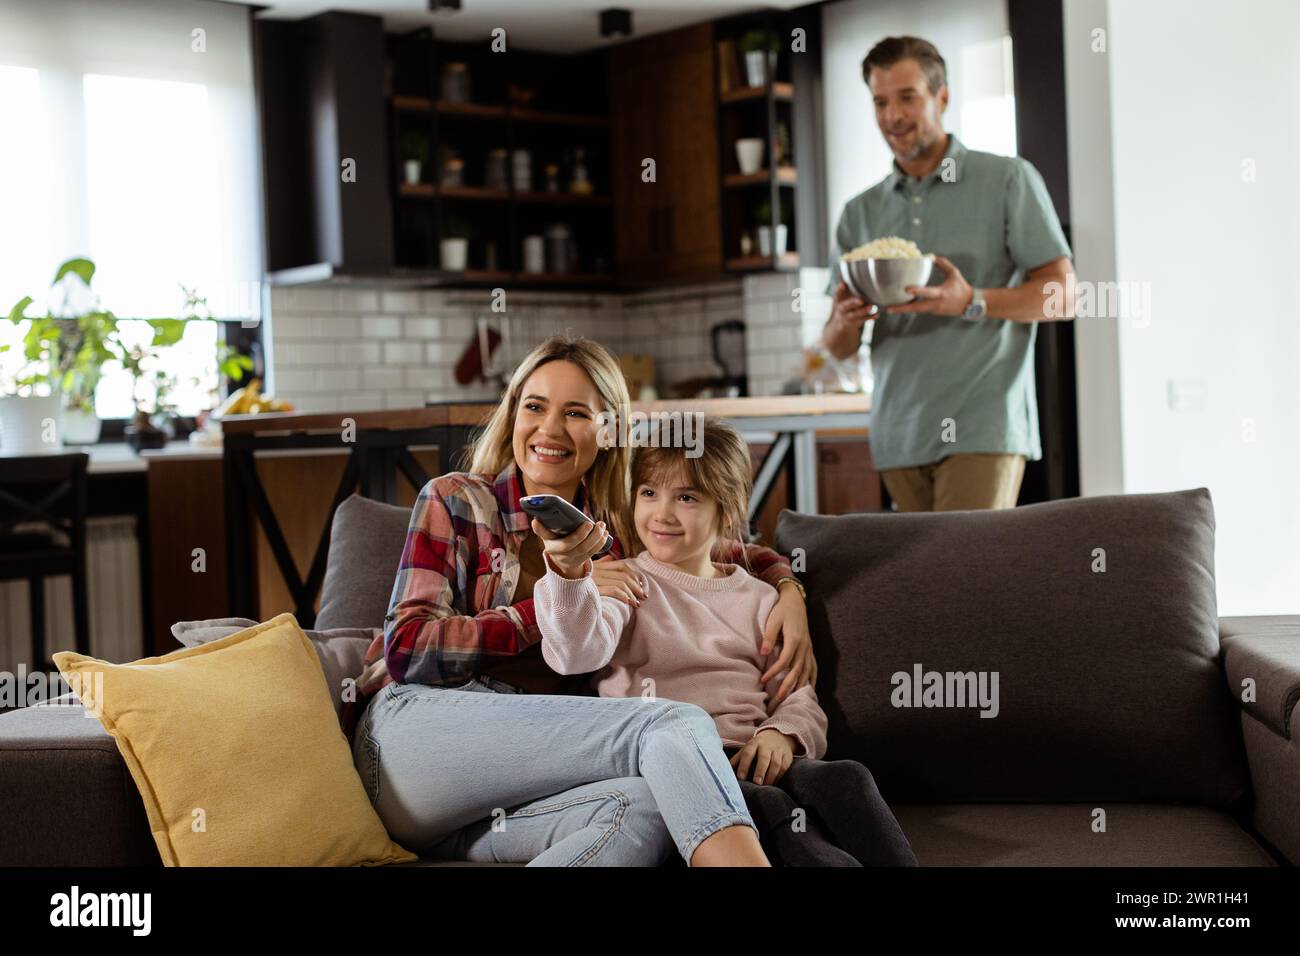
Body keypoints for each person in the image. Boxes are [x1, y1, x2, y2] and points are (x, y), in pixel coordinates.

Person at [345, 334, 819, 866]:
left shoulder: (618, 524)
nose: (549, 429)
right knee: (673, 722)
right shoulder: (457, 500)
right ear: (513, 416)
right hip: (416, 745)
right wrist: (544, 606)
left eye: (575, 413)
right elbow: (408, 650)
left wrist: (788, 591)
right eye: (534, 406)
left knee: (647, 809)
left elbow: (725, 548)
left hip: (516, 786)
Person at [533, 416, 917, 866]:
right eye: (649, 493)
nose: (662, 513)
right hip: (682, 767)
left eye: (687, 497)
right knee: (772, 809)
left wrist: (782, 734)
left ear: (726, 508)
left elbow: (797, 695)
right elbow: (576, 651)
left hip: (757, 753)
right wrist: (569, 578)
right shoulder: (628, 583)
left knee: (848, 778)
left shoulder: (760, 597)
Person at [822, 35, 1076, 512]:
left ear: (942, 97)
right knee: (926, 585)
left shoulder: (1007, 180)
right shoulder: (859, 212)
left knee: (968, 576)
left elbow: (1063, 295)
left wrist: (972, 300)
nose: (892, 116)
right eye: (879, 101)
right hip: (897, 433)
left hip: (983, 424)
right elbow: (836, 346)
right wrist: (845, 319)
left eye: (907, 97)